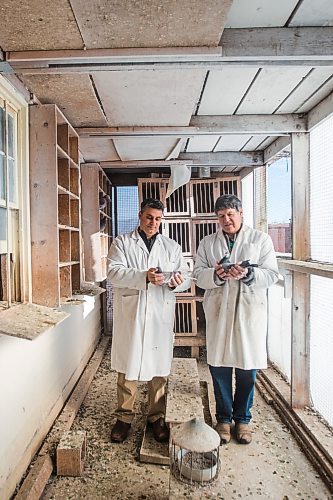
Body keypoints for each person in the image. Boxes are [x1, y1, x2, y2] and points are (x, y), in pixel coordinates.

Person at [193, 194, 279, 445]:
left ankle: (243, 420)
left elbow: (272, 274)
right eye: (221, 216)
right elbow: (198, 275)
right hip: (220, 310)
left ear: (241, 213)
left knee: (246, 370)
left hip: (248, 311)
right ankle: (223, 419)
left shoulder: (260, 239)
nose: (226, 219)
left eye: (231, 214)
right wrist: (217, 274)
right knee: (219, 368)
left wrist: (249, 273)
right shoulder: (208, 243)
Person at [107, 198, 190, 443]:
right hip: (132, 313)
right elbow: (113, 272)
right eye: (149, 217)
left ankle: (157, 417)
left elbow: (184, 275)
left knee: (159, 369)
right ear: (140, 215)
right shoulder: (122, 242)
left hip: (159, 315)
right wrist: (144, 276)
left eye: (157, 219)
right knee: (127, 367)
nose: (153, 223)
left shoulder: (171, 247)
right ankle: (124, 417)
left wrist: (178, 282)